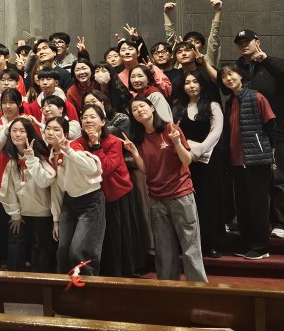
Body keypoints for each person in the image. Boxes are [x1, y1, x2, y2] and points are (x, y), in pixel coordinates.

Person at [121, 97, 207, 281]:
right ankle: (167, 288)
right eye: (134, 109)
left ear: (152, 108)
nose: (139, 110)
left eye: (142, 106)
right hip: (156, 197)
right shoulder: (139, 138)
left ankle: (199, 289)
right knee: (164, 249)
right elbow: (146, 170)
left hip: (180, 194)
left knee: (191, 247)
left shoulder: (170, 129)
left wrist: (176, 142)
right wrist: (134, 152)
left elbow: (187, 161)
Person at [74, 105, 142, 278]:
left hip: (116, 194)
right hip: (92, 197)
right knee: (99, 239)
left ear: (103, 121)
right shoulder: (79, 143)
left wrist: (96, 146)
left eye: (93, 117)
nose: (88, 120)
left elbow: (105, 169)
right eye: (85, 117)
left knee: (118, 237)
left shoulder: (113, 141)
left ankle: (122, 276)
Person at [220, 64, 276, 260]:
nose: (229, 79)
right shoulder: (230, 102)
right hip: (236, 162)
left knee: (258, 206)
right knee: (243, 206)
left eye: (231, 74)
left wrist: (270, 154)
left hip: (256, 161)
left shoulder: (256, 97)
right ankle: (247, 243)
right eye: (224, 77)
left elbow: (271, 125)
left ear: (241, 76)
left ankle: (261, 247)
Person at [233, 29, 284, 239]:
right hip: (247, 133)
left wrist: (267, 60)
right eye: (240, 42)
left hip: (275, 131)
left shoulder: (273, 64)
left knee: (277, 178)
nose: (244, 45)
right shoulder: (237, 68)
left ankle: (280, 222)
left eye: (248, 41)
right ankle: (250, 223)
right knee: (249, 182)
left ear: (258, 41)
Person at [172, 70, 224, 258]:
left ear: (202, 84)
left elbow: (216, 132)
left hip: (208, 161)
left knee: (208, 201)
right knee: (187, 203)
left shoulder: (212, 105)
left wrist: (199, 150)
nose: (191, 86)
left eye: (195, 81)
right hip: (185, 161)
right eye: (187, 83)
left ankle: (210, 243)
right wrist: (187, 153)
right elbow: (174, 131)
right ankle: (188, 243)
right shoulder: (178, 107)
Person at [44, 116, 104, 277]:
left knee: (78, 251)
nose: (50, 132)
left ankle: (87, 286)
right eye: (48, 128)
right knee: (62, 251)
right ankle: (64, 289)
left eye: (56, 129)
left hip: (90, 201)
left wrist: (69, 151)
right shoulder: (51, 154)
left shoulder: (73, 146)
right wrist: (56, 220)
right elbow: (56, 189)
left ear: (65, 134)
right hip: (69, 202)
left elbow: (92, 168)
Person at [0, 117, 56, 273]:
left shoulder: (41, 153)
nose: (18, 134)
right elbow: (7, 189)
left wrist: (31, 159)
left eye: (22, 131)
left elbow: (45, 181)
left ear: (29, 133)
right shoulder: (7, 156)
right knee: (15, 250)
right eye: (14, 131)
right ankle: (14, 284)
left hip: (42, 213)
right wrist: (15, 214)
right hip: (20, 214)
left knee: (40, 252)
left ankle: (40, 285)